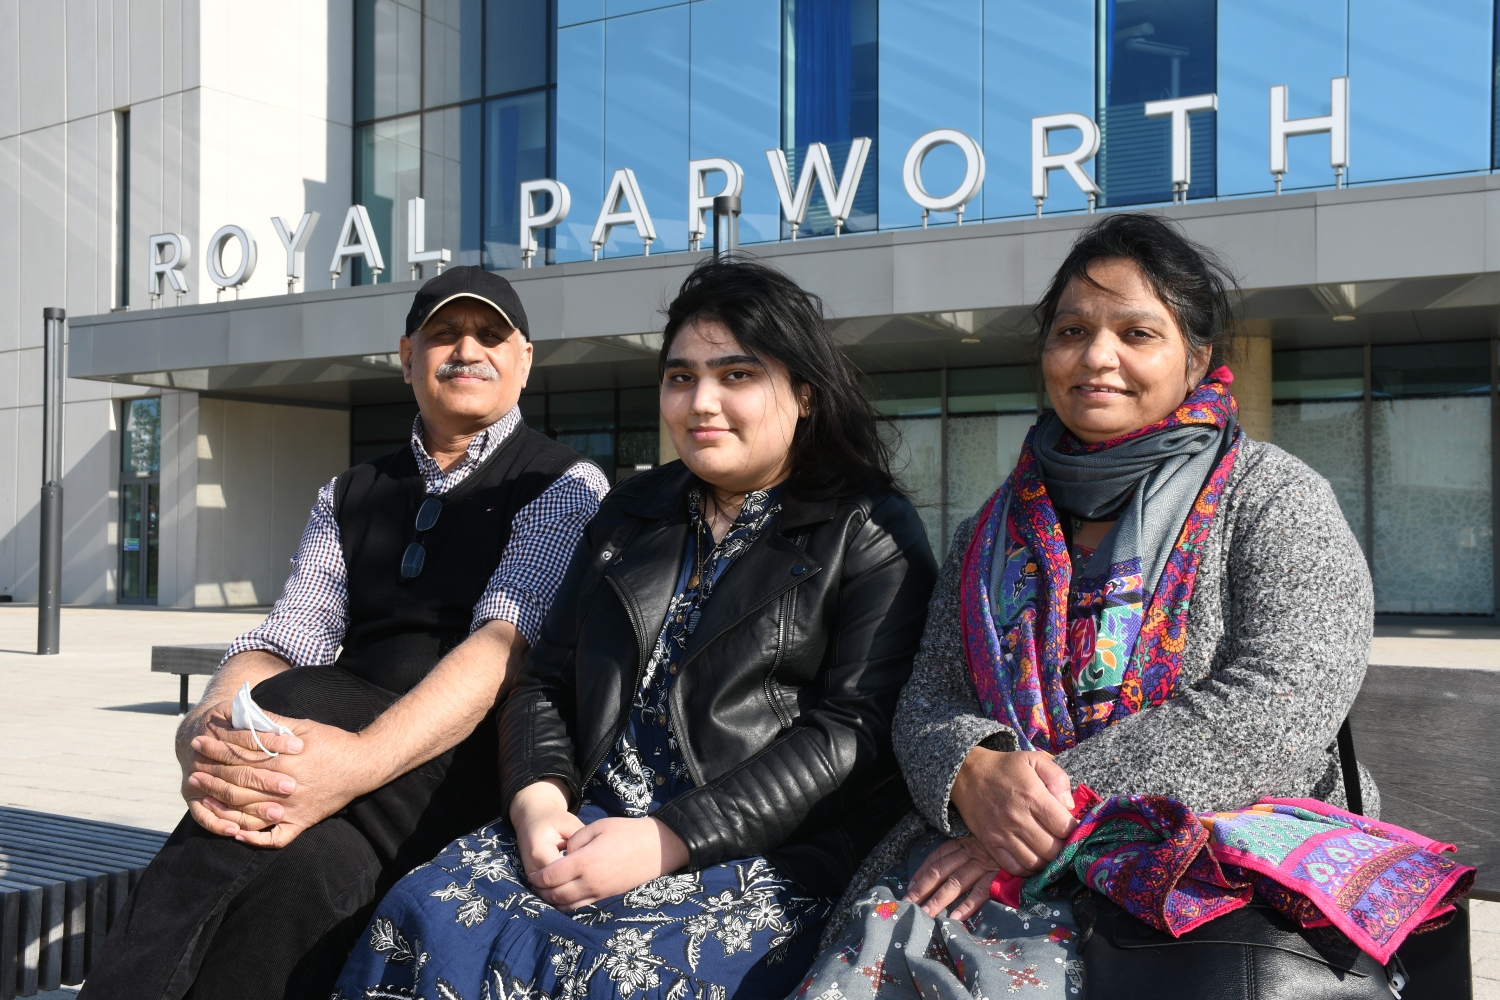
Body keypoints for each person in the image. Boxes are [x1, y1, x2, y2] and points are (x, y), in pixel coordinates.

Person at [793, 213, 1378, 998]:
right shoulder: (990, 531)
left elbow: (1279, 703)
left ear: (1195, 359)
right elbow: (929, 695)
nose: (1098, 356)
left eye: (1138, 332)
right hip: (986, 862)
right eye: (1072, 330)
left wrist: (1037, 816)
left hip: (1204, 875)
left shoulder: (1273, 498)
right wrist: (971, 772)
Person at [334, 256, 938, 1000]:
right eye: (681, 377)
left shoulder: (870, 529)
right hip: (588, 815)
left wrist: (668, 839)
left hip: (763, 850)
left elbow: (853, 732)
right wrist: (539, 801)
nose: (701, 402)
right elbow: (548, 676)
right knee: (422, 914)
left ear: (805, 393)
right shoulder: (631, 512)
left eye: (737, 375)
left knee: (611, 976)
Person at [81, 267, 611, 1000]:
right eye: (444, 335)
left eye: (491, 336)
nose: (467, 350)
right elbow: (289, 632)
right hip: (341, 763)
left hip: (469, 761)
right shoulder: (348, 492)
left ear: (524, 359)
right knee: (311, 870)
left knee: (300, 700)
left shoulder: (564, 483)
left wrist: (356, 762)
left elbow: (503, 649)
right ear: (405, 355)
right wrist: (205, 728)